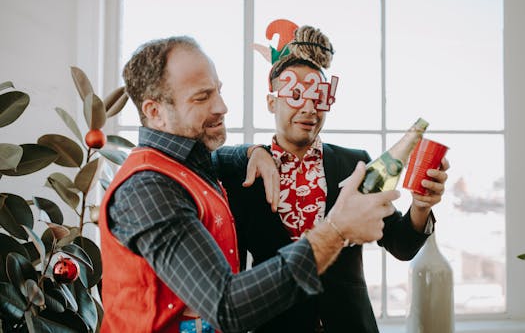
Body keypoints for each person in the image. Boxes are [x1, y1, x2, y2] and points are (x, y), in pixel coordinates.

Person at [98, 35, 402, 333]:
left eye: (218, 91)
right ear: (156, 112)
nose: (222, 107)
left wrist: (251, 152)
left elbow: (218, 159)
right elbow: (227, 307)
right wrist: (336, 230)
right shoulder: (148, 188)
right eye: (203, 97)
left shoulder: (192, 163)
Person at [214, 22, 450, 333]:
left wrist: (420, 207)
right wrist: (250, 152)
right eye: (296, 95)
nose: (309, 107)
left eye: (319, 96)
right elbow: (209, 159)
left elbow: (401, 245)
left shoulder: (355, 163)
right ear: (272, 102)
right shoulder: (245, 174)